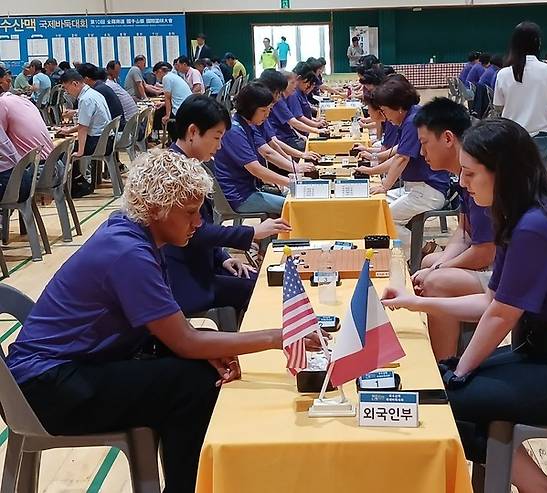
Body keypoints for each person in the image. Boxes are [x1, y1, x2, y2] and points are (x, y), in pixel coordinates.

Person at [6, 148, 327, 493]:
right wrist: (280, 336)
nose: (198, 223)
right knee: (192, 385)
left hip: (62, 370)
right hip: (45, 389)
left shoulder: (131, 233)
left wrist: (203, 351)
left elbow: (171, 333)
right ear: (156, 209)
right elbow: (186, 341)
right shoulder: (129, 253)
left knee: (195, 369)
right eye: (190, 212)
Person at [381, 118, 547, 493]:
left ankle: (541, 489)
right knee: (443, 388)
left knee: (440, 400)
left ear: (505, 173)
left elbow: (499, 315)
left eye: (471, 174)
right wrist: (417, 303)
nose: (462, 183)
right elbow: (492, 302)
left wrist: (459, 374)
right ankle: (544, 489)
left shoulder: (535, 225)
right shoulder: (529, 214)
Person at [165, 95, 291, 316]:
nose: (220, 145)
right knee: (263, 289)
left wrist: (223, 257)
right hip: (185, 277)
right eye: (216, 137)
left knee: (259, 279)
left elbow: (202, 227)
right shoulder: (172, 173)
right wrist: (252, 232)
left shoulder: (191, 163)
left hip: (204, 264)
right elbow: (194, 232)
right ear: (193, 132)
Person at [410, 98, 495, 360]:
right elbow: (463, 232)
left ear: (448, 138)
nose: (422, 153)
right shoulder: (464, 178)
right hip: (492, 264)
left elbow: (485, 253)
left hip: (500, 270)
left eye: (425, 144)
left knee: (435, 282)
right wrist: (440, 264)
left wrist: (440, 272)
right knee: (431, 262)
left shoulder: (482, 179)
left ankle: (444, 363)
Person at [363, 75, 452, 257]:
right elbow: (399, 152)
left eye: (385, 110)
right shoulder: (411, 116)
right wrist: (374, 171)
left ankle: (425, 249)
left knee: (387, 217)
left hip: (429, 189)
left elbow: (401, 158)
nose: (385, 116)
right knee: (374, 205)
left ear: (399, 107)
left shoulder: (413, 120)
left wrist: (385, 186)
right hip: (414, 187)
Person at [493, 21, 547, 168]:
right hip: (542, 137)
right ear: (538, 43)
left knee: (515, 184)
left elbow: (498, 106)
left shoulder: (504, 74)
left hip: (512, 137)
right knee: (539, 185)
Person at [215, 83, 290, 215]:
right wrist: (289, 182)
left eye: (269, 109)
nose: (267, 114)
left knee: (289, 199)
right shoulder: (234, 131)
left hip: (250, 188)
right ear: (250, 108)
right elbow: (256, 169)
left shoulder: (248, 125)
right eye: (263, 110)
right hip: (239, 197)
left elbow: (267, 151)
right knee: (291, 206)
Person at [255, 69, 321, 165]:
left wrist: (292, 162)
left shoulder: (264, 112)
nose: (295, 85)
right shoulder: (276, 102)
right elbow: (269, 151)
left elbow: (273, 142)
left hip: (283, 143)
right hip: (284, 140)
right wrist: (296, 162)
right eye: (292, 82)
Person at [267, 70, 325, 152]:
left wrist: (300, 135)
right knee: (315, 147)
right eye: (292, 83)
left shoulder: (286, 97)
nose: (295, 85)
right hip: (283, 138)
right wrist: (316, 129)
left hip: (290, 135)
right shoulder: (279, 101)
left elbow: (289, 124)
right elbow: (294, 121)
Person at [78, 63, 125, 130]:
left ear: (86, 79)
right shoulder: (102, 86)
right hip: (120, 128)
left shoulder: (97, 91)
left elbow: (85, 123)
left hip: (116, 132)